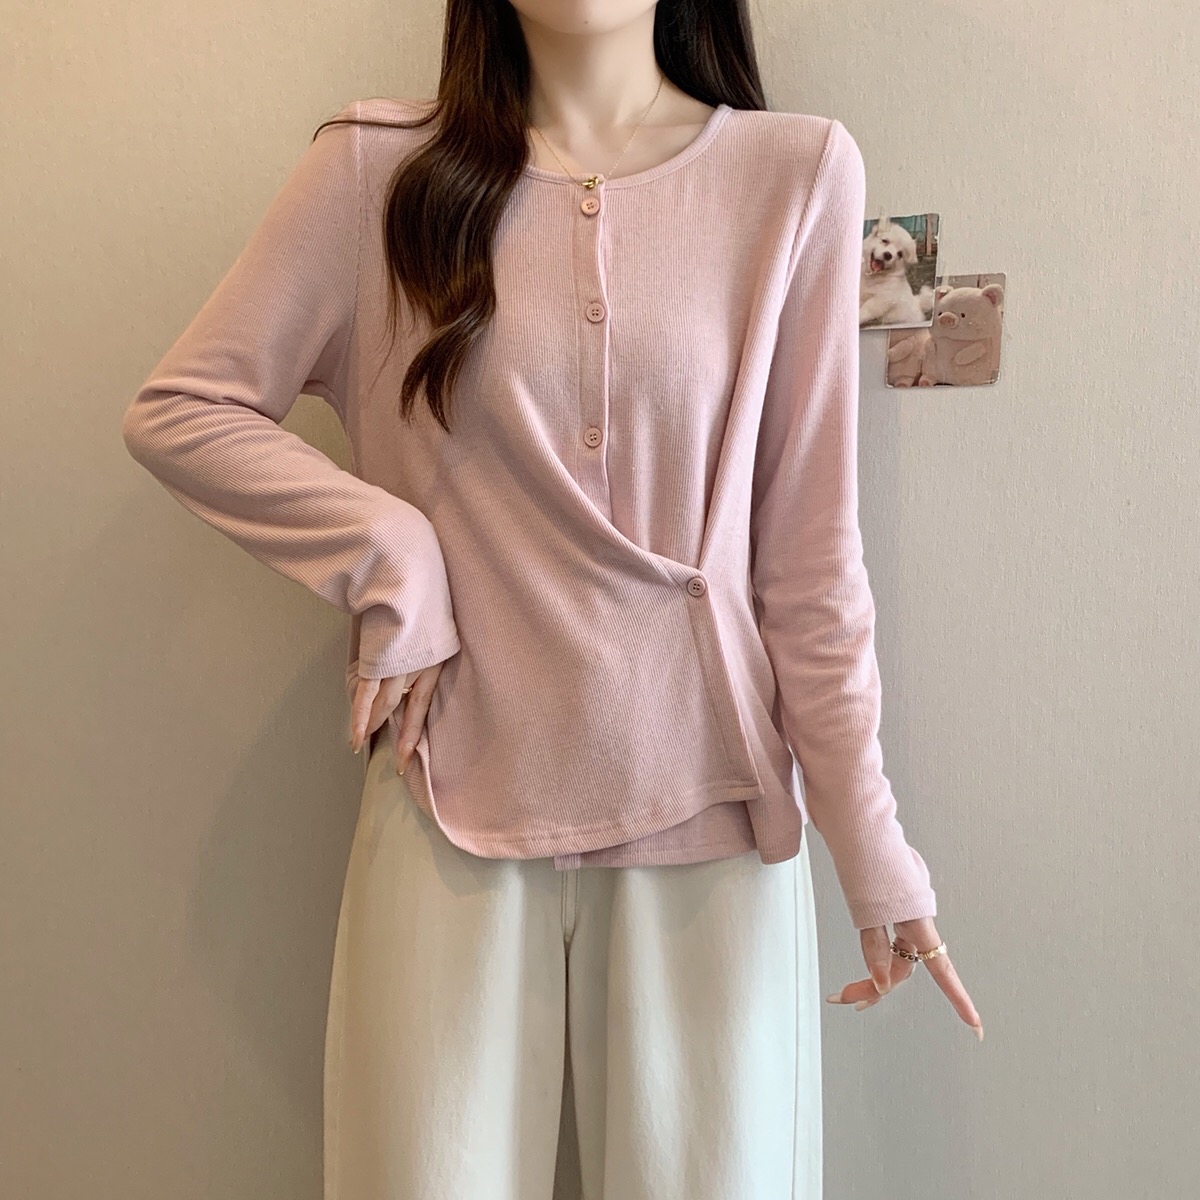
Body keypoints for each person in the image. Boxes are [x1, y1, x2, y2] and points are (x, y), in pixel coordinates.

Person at [121, 1, 982, 1196]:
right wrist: (393, 552)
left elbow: (807, 559)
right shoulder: (376, 173)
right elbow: (186, 410)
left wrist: (872, 845)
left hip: (712, 810)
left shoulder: (798, 175)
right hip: (450, 796)